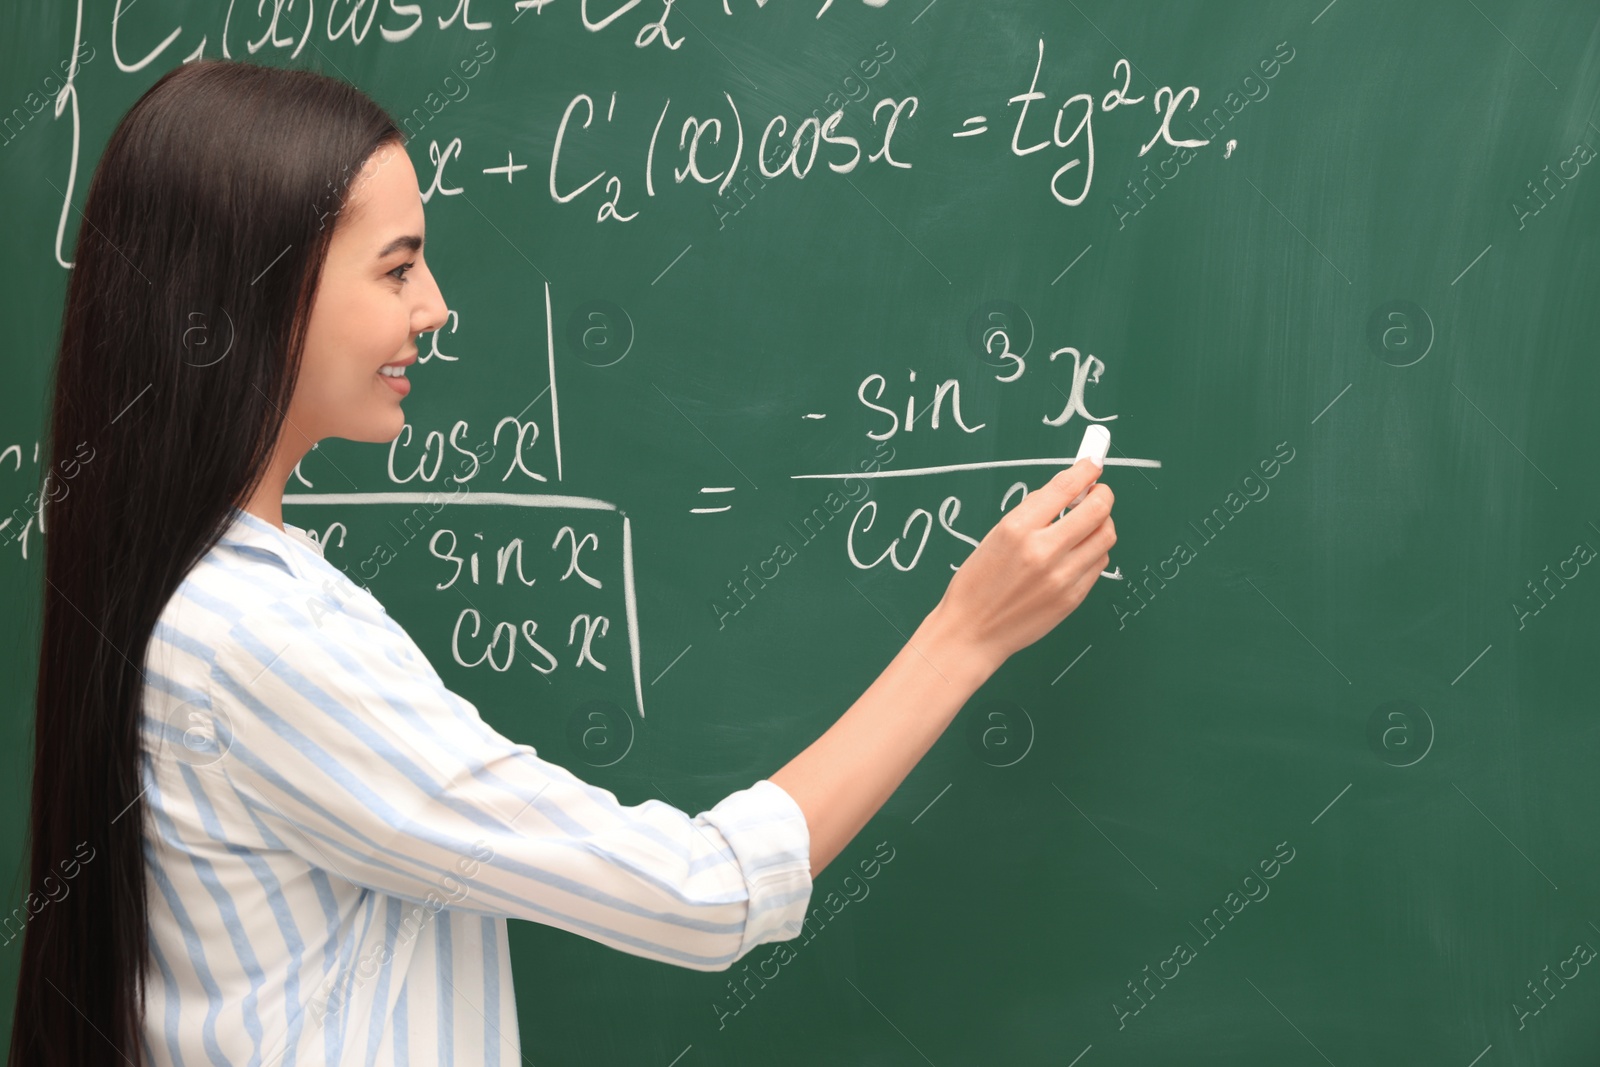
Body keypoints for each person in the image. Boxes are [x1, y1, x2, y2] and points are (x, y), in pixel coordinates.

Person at [9, 58, 1115, 1066]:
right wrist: (966, 632)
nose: (435, 308)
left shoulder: (201, 593)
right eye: (396, 270)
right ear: (255, 295)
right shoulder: (264, 642)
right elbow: (703, 893)